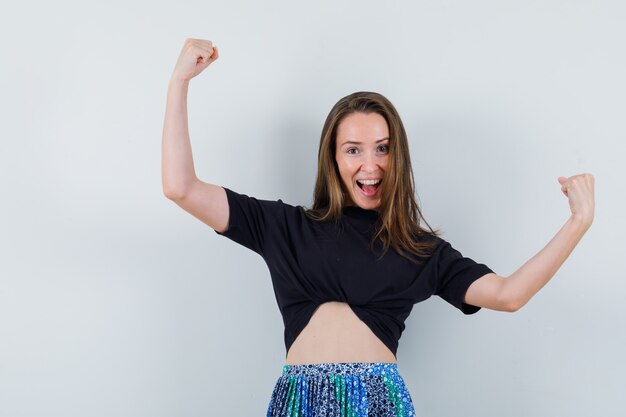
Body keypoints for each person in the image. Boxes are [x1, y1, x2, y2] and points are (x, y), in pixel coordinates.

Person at [161, 38, 595, 417]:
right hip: (299, 402)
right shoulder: (283, 226)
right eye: (354, 150)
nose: (370, 165)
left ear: (398, 156)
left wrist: (578, 222)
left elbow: (508, 295)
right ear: (333, 157)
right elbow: (180, 188)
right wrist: (179, 83)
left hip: (378, 403)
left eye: (383, 149)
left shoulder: (419, 250)